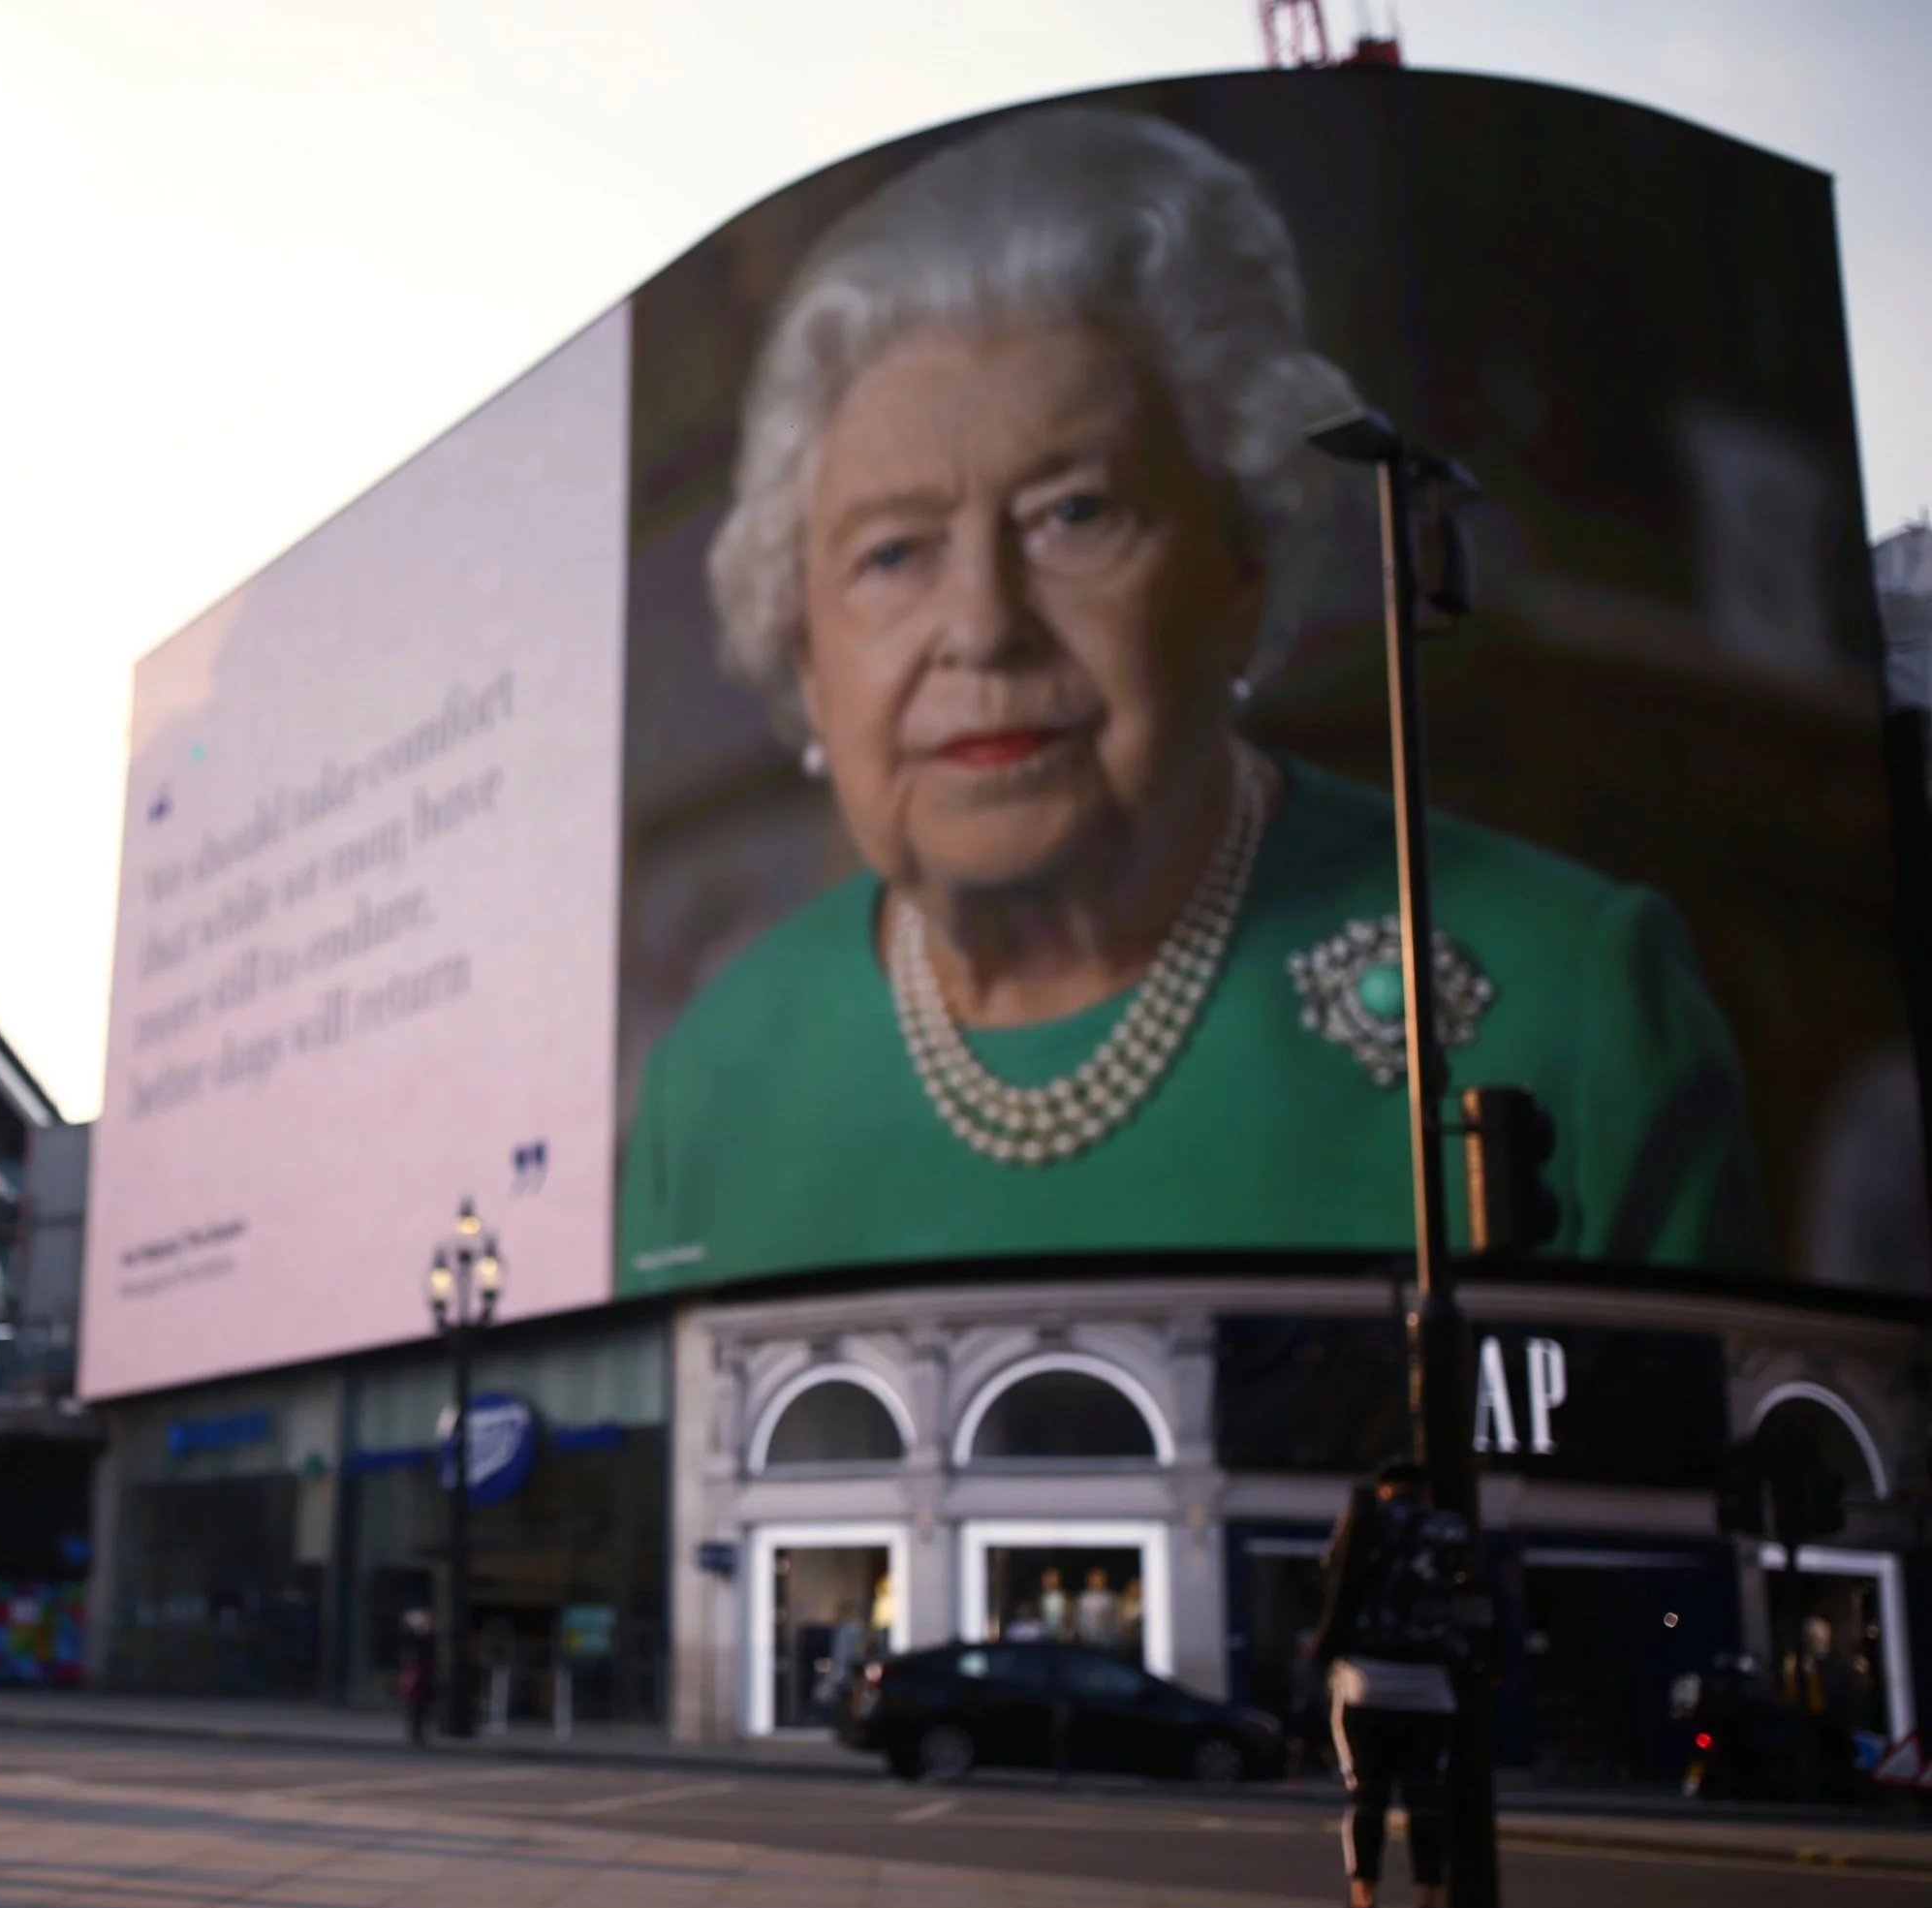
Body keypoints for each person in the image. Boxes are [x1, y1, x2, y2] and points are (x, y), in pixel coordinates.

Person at [617, 107, 1768, 1293]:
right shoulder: (714, 1080)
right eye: (894, 553)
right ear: (807, 653)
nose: (982, 626)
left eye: (1075, 513)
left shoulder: (1572, 998)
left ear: (1242, 562)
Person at [1313, 1460, 1467, 1908]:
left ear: (1384, 1490)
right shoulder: (1450, 1528)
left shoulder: (1366, 1519)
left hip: (1367, 1678)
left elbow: (1332, 1574)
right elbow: (1474, 1590)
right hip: (1431, 1684)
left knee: (1367, 1797)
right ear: (1425, 1492)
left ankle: (1364, 1907)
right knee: (1427, 1800)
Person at [396, 1608, 438, 1745]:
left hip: (425, 1677)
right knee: (414, 1707)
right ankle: (415, 1732)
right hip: (417, 1676)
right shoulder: (413, 1638)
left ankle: (420, 1732)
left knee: (424, 1708)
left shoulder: (430, 1636)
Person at [1075, 1567, 1119, 1650]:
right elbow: (1078, 1620)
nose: (1097, 1582)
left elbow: (1116, 1621)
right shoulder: (1082, 1599)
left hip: (1107, 1643)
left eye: (1099, 1579)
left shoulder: (1110, 1598)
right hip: (1085, 1641)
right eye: (1094, 1579)